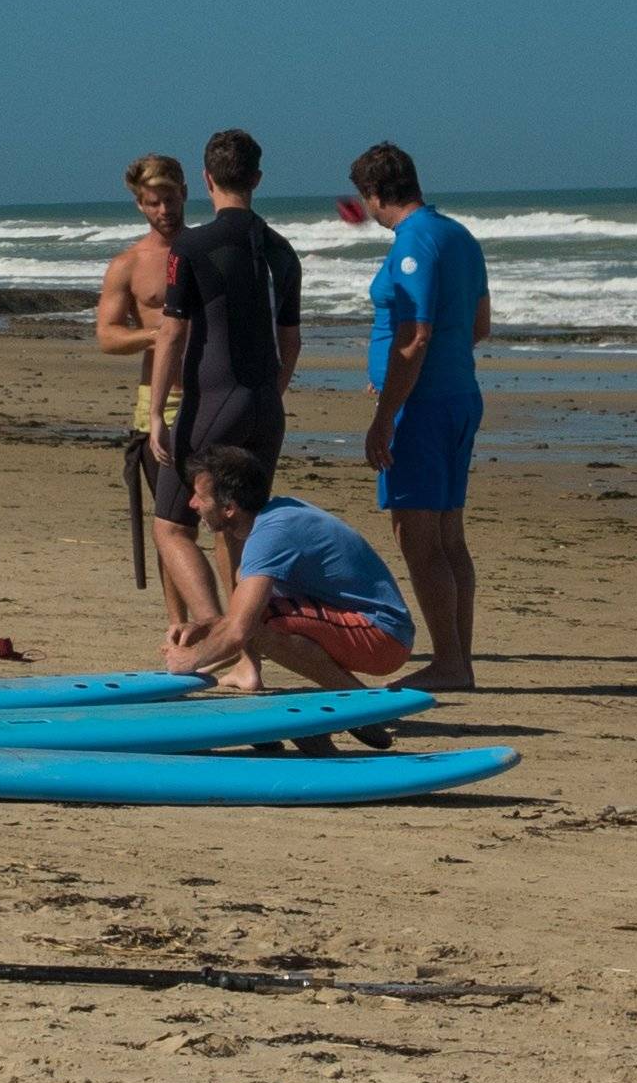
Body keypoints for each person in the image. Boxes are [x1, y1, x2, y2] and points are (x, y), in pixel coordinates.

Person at [142, 129, 303, 633]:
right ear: (256, 179)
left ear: (207, 179)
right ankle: (246, 664)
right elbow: (291, 343)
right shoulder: (282, 250)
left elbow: (171, 334)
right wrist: (269, 396)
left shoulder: (191, 245)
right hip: (265, 406)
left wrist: (155, 414)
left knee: (171, 527)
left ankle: (216, 632)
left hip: (212, 402)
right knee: (239, 531)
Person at [352, 141, 487, 690]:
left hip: (423, 407)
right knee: (449, 534)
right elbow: (477, 325)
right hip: (458, 395)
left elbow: (415, 333)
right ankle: (459, 658)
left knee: (418, 535)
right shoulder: (459, 235)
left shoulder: (413, 243)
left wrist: (387, 410)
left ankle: (451, 662)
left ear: (376, 194)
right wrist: (390, 372)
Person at [159, 446, 413, 720]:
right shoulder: (273, 517)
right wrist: (207, 627)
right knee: (248, 596)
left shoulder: (271, 534)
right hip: (369, 628)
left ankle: (360, 706)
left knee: (257, 624)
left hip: (385, 638)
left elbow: (238, 632)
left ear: (230, 507)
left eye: (200, 497)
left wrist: (190, 660)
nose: (192, 504)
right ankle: (353, 702)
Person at [91, 152, 188, 548]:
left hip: (214, 393)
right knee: (171, 526)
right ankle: (178, 615)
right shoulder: (128, 264)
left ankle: (234, 612)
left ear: (184, 192)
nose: (163, 209)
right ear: (139, 204)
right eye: (153, 202)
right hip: (160, 402)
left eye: (170, 198)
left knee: (227, 520)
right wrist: (159, 335)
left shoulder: (210, 251)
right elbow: (108, 337)